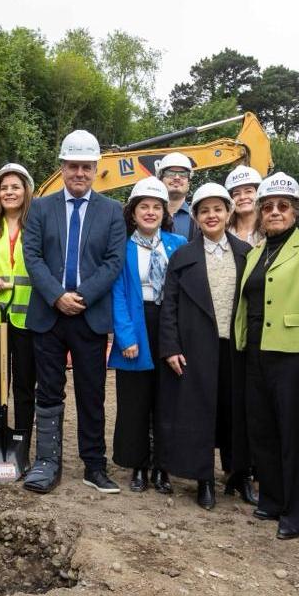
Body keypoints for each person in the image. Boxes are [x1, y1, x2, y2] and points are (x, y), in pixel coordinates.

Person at [22, 129, 126, 494]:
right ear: (62, 167)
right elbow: (32, 256)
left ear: (96, 169)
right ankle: (46, 463)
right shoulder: (40, 207)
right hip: (49, 316)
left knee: (91, 393)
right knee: (48, 391)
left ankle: (94, 466)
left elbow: (113, 261)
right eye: (73, 166)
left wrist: (80, 296)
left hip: (89, 315)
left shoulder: (112, 211)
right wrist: (56, 296)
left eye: (86, 166)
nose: (79, 173)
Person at [236, 172, 299, 540]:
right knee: (262, 429)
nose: (275, 212)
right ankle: (273, 499)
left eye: (282, 206)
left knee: (295, 434)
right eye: (268, 207)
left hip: (294, 354)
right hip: (256, 350)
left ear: (294, 212)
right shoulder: (255, 253)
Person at [159, 183, 256, 510]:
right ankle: (204, 479)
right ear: (196, 217)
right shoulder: (183, 256)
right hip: (196, 347)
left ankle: (240, 475)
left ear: (229, 212)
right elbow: (169, 304)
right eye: (204, 211)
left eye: (217, 209)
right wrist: (170, 346)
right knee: (200, 413)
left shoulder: (246, 253)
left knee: (238, 412)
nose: (211, 215)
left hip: (237, 348)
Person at [109, 178, 187, 494]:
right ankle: (138, 464)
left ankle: (164, 467)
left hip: (169, 326)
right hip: (136, 325)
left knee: (168, 400)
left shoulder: (178, 244)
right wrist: (125, 337)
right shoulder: (122, 247)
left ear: (164, 212)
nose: (151, 212)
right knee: (135, 401)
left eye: (157, 207)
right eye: (144, 206)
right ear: (133, 212)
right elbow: (117, 293)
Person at [0, 163, 37, 447]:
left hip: (28, 318)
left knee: (25, 386)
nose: (9, 192)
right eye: (4, 188)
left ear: (26, 191)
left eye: (15, 187)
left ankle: (21, 443)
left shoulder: (37, 225)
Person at [157, 151, 197, 240]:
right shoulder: (148, 216)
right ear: (160, 179)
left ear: (189, 183)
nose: (177, 178)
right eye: (170, 173)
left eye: (183, 174)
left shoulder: (197, 217)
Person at [224, 165, 264, 246]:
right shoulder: (223, 232)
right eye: (236, 194)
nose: (242, 197)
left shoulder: (270, 230)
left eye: (248, 191)